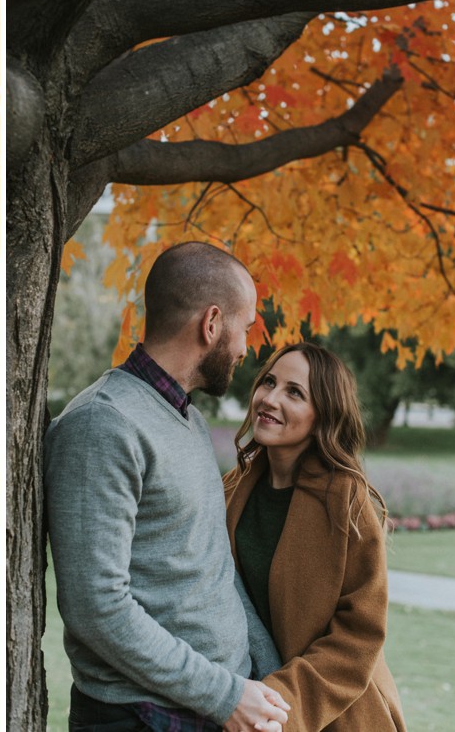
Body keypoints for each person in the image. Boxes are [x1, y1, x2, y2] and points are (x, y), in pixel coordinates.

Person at [44, 241, 291, 732]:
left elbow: (214, 567)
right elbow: (96, 607)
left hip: (215, 705)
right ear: (212, 323)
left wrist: (272, 677)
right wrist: (226, 695)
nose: (246, 347)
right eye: (245, 328)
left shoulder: (188, 420)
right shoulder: (103, 425)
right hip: (143, 716)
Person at [224, 343, 406, 731]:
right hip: (250, 711)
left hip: (339, 715)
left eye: (294, 392)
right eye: (268, 382)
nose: (270, 399)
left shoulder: (345, 501)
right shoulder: (232, 489)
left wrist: (280, 704)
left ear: (321, 414)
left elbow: (359, 636)